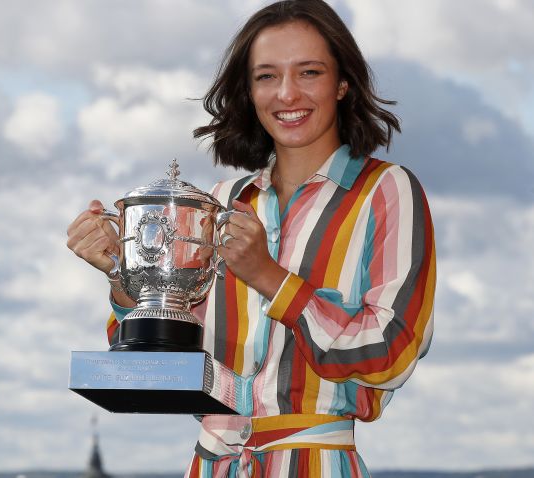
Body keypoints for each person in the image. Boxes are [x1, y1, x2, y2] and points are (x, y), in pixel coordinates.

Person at [66, 0, 435, 476]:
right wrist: (123, 279)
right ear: (248, 89)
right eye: (266, 76)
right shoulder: (217, 203)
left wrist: (270, 278)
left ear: (342, 83)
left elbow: (393, 352)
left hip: (313, 462)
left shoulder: (387, 190)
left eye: (309, 72)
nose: (286, 93)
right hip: (212, 464)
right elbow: (171, 350)